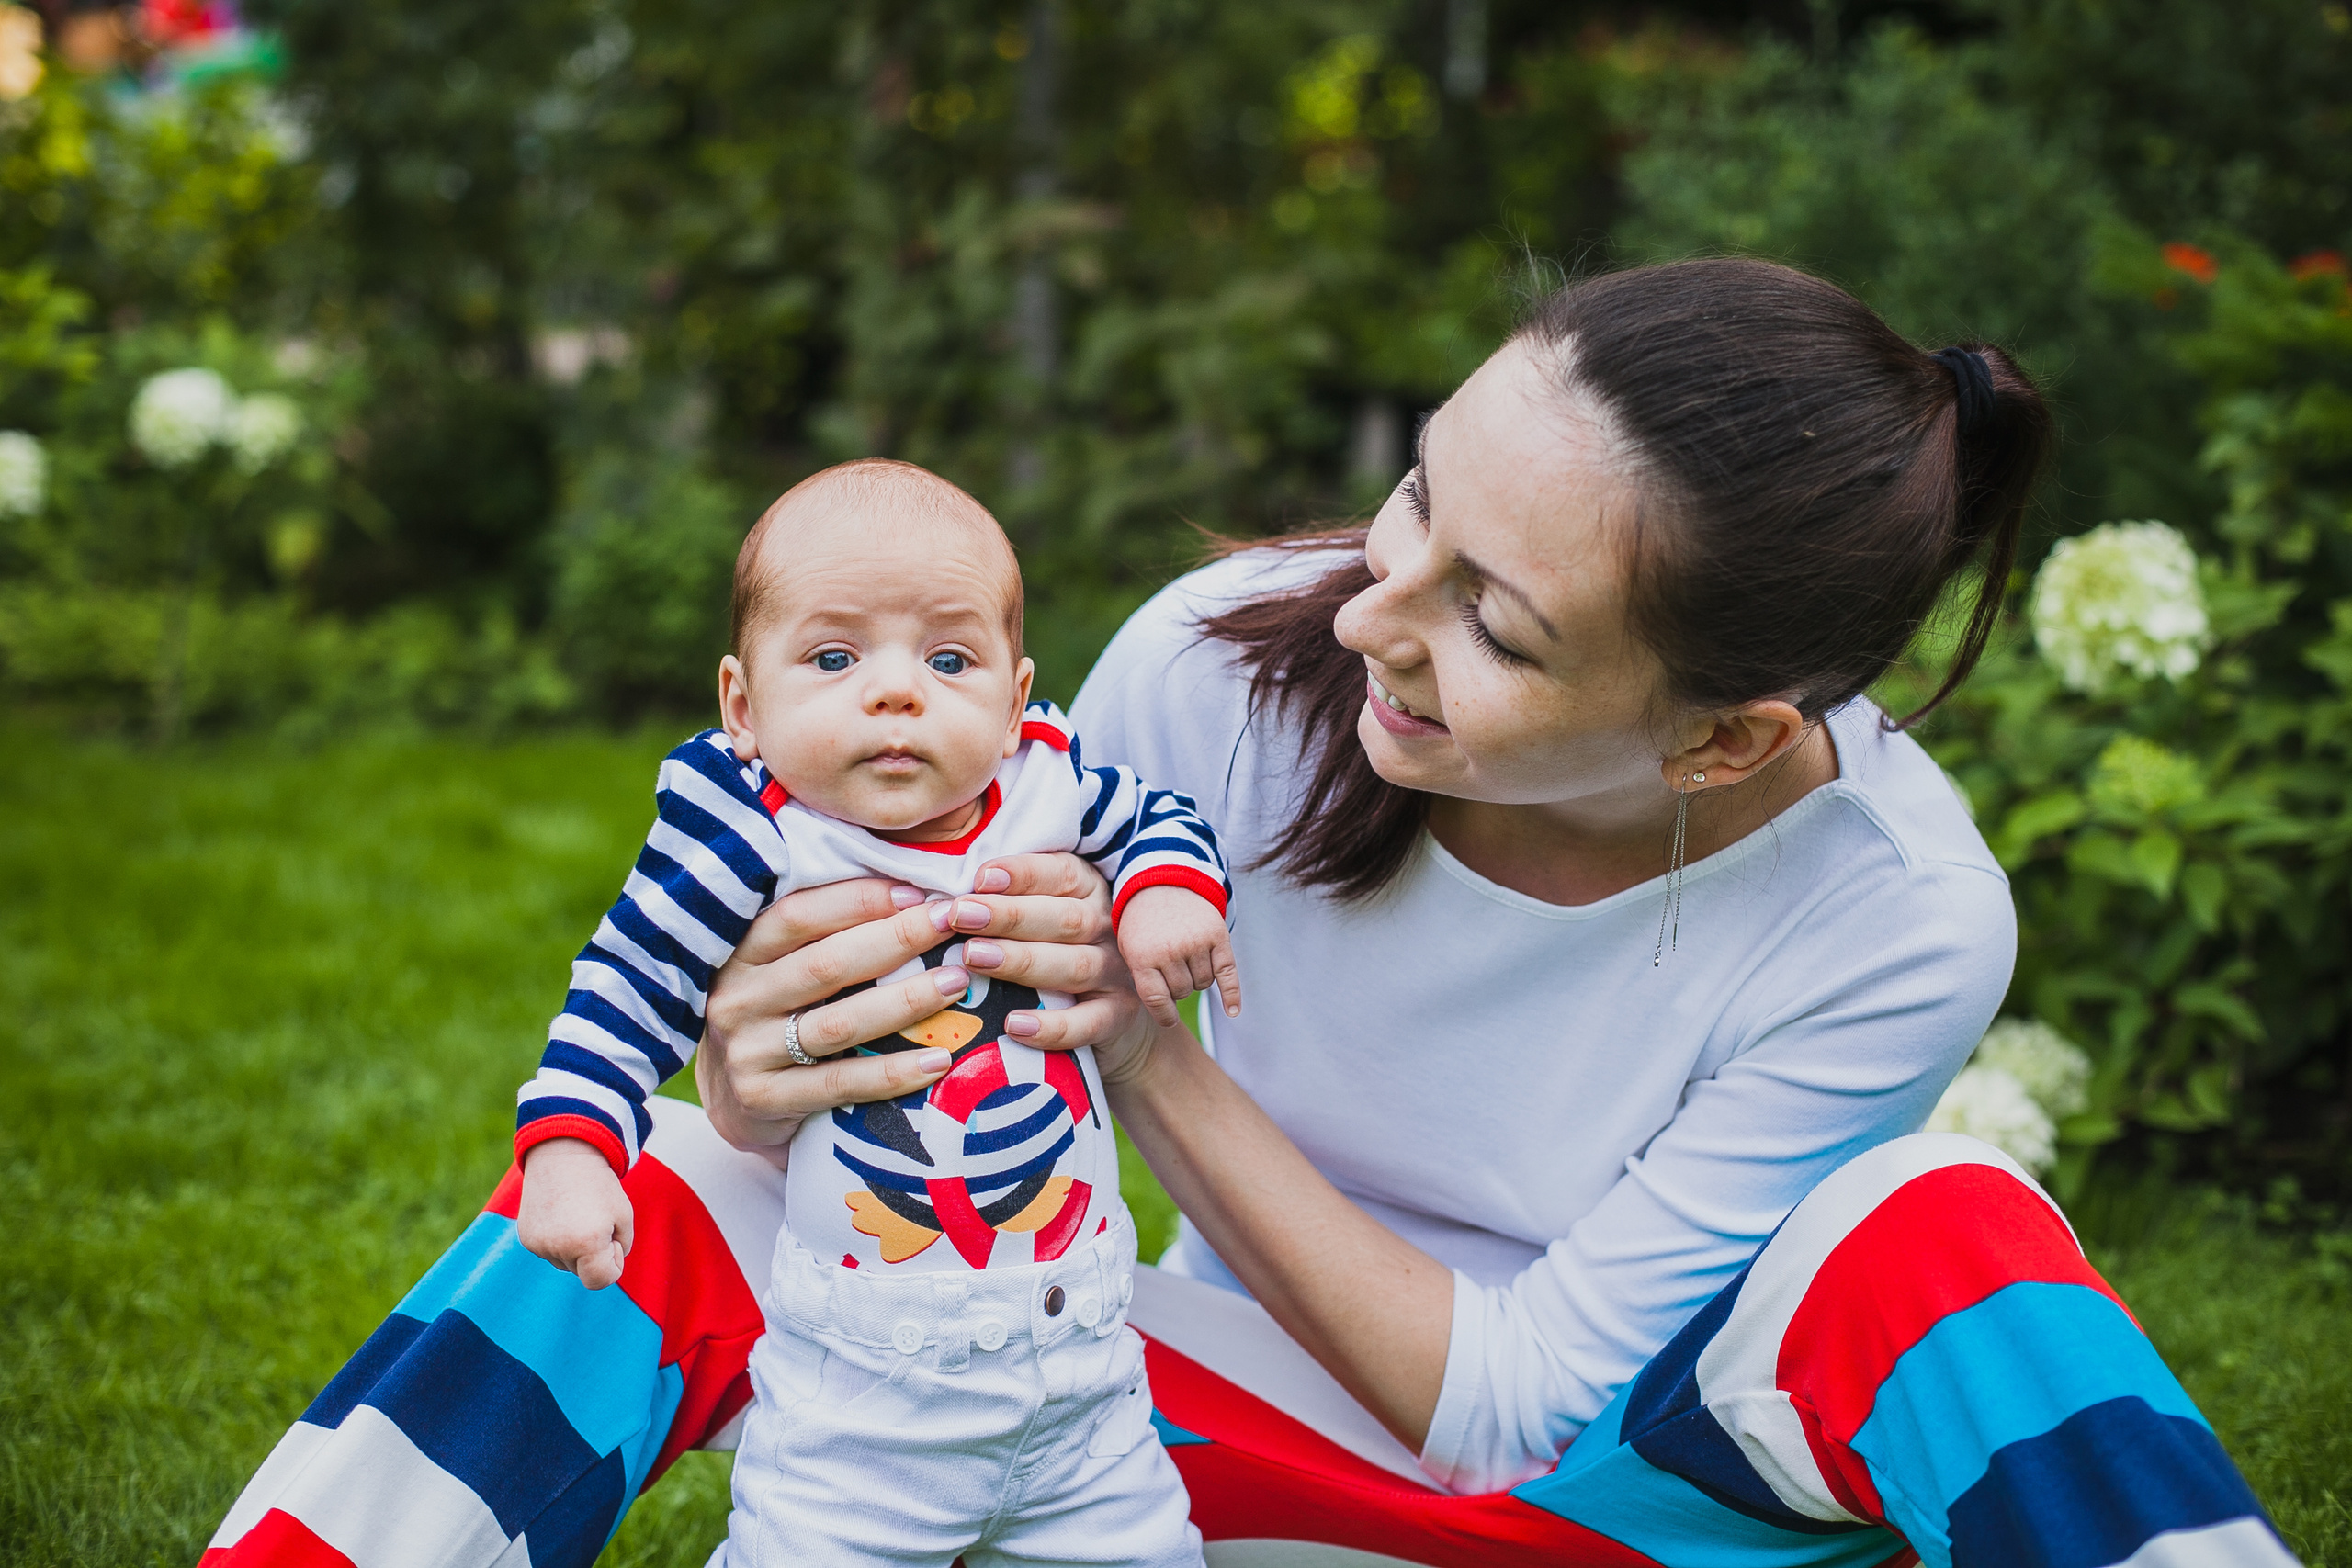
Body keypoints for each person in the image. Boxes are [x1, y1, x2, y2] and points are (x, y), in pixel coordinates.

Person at [206, 260, 2295, 1568]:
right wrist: (763, 1080)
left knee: (1939, 1230)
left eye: (1487, 615)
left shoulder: (1897, 908)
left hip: (1616, 1500)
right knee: (670, 1169)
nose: (1367, 607)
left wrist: (1128, 1036)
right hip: (1167, 1425)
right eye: (1414, 499)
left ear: (1720, 737)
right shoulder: (1209, 659)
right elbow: (928, 1073)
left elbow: (1511, 1403)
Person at [512, 458, 1231, 1565]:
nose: (897, 693)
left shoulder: (1046, 785)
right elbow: (626, 985)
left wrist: (1167, 892)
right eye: (836, 657)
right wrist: (569, 1148)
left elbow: (1160, 818)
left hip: (1086, 1388)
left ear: (1010, 697)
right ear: (742, 705)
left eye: (949, 659)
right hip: (863, 1413)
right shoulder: (752, 838)